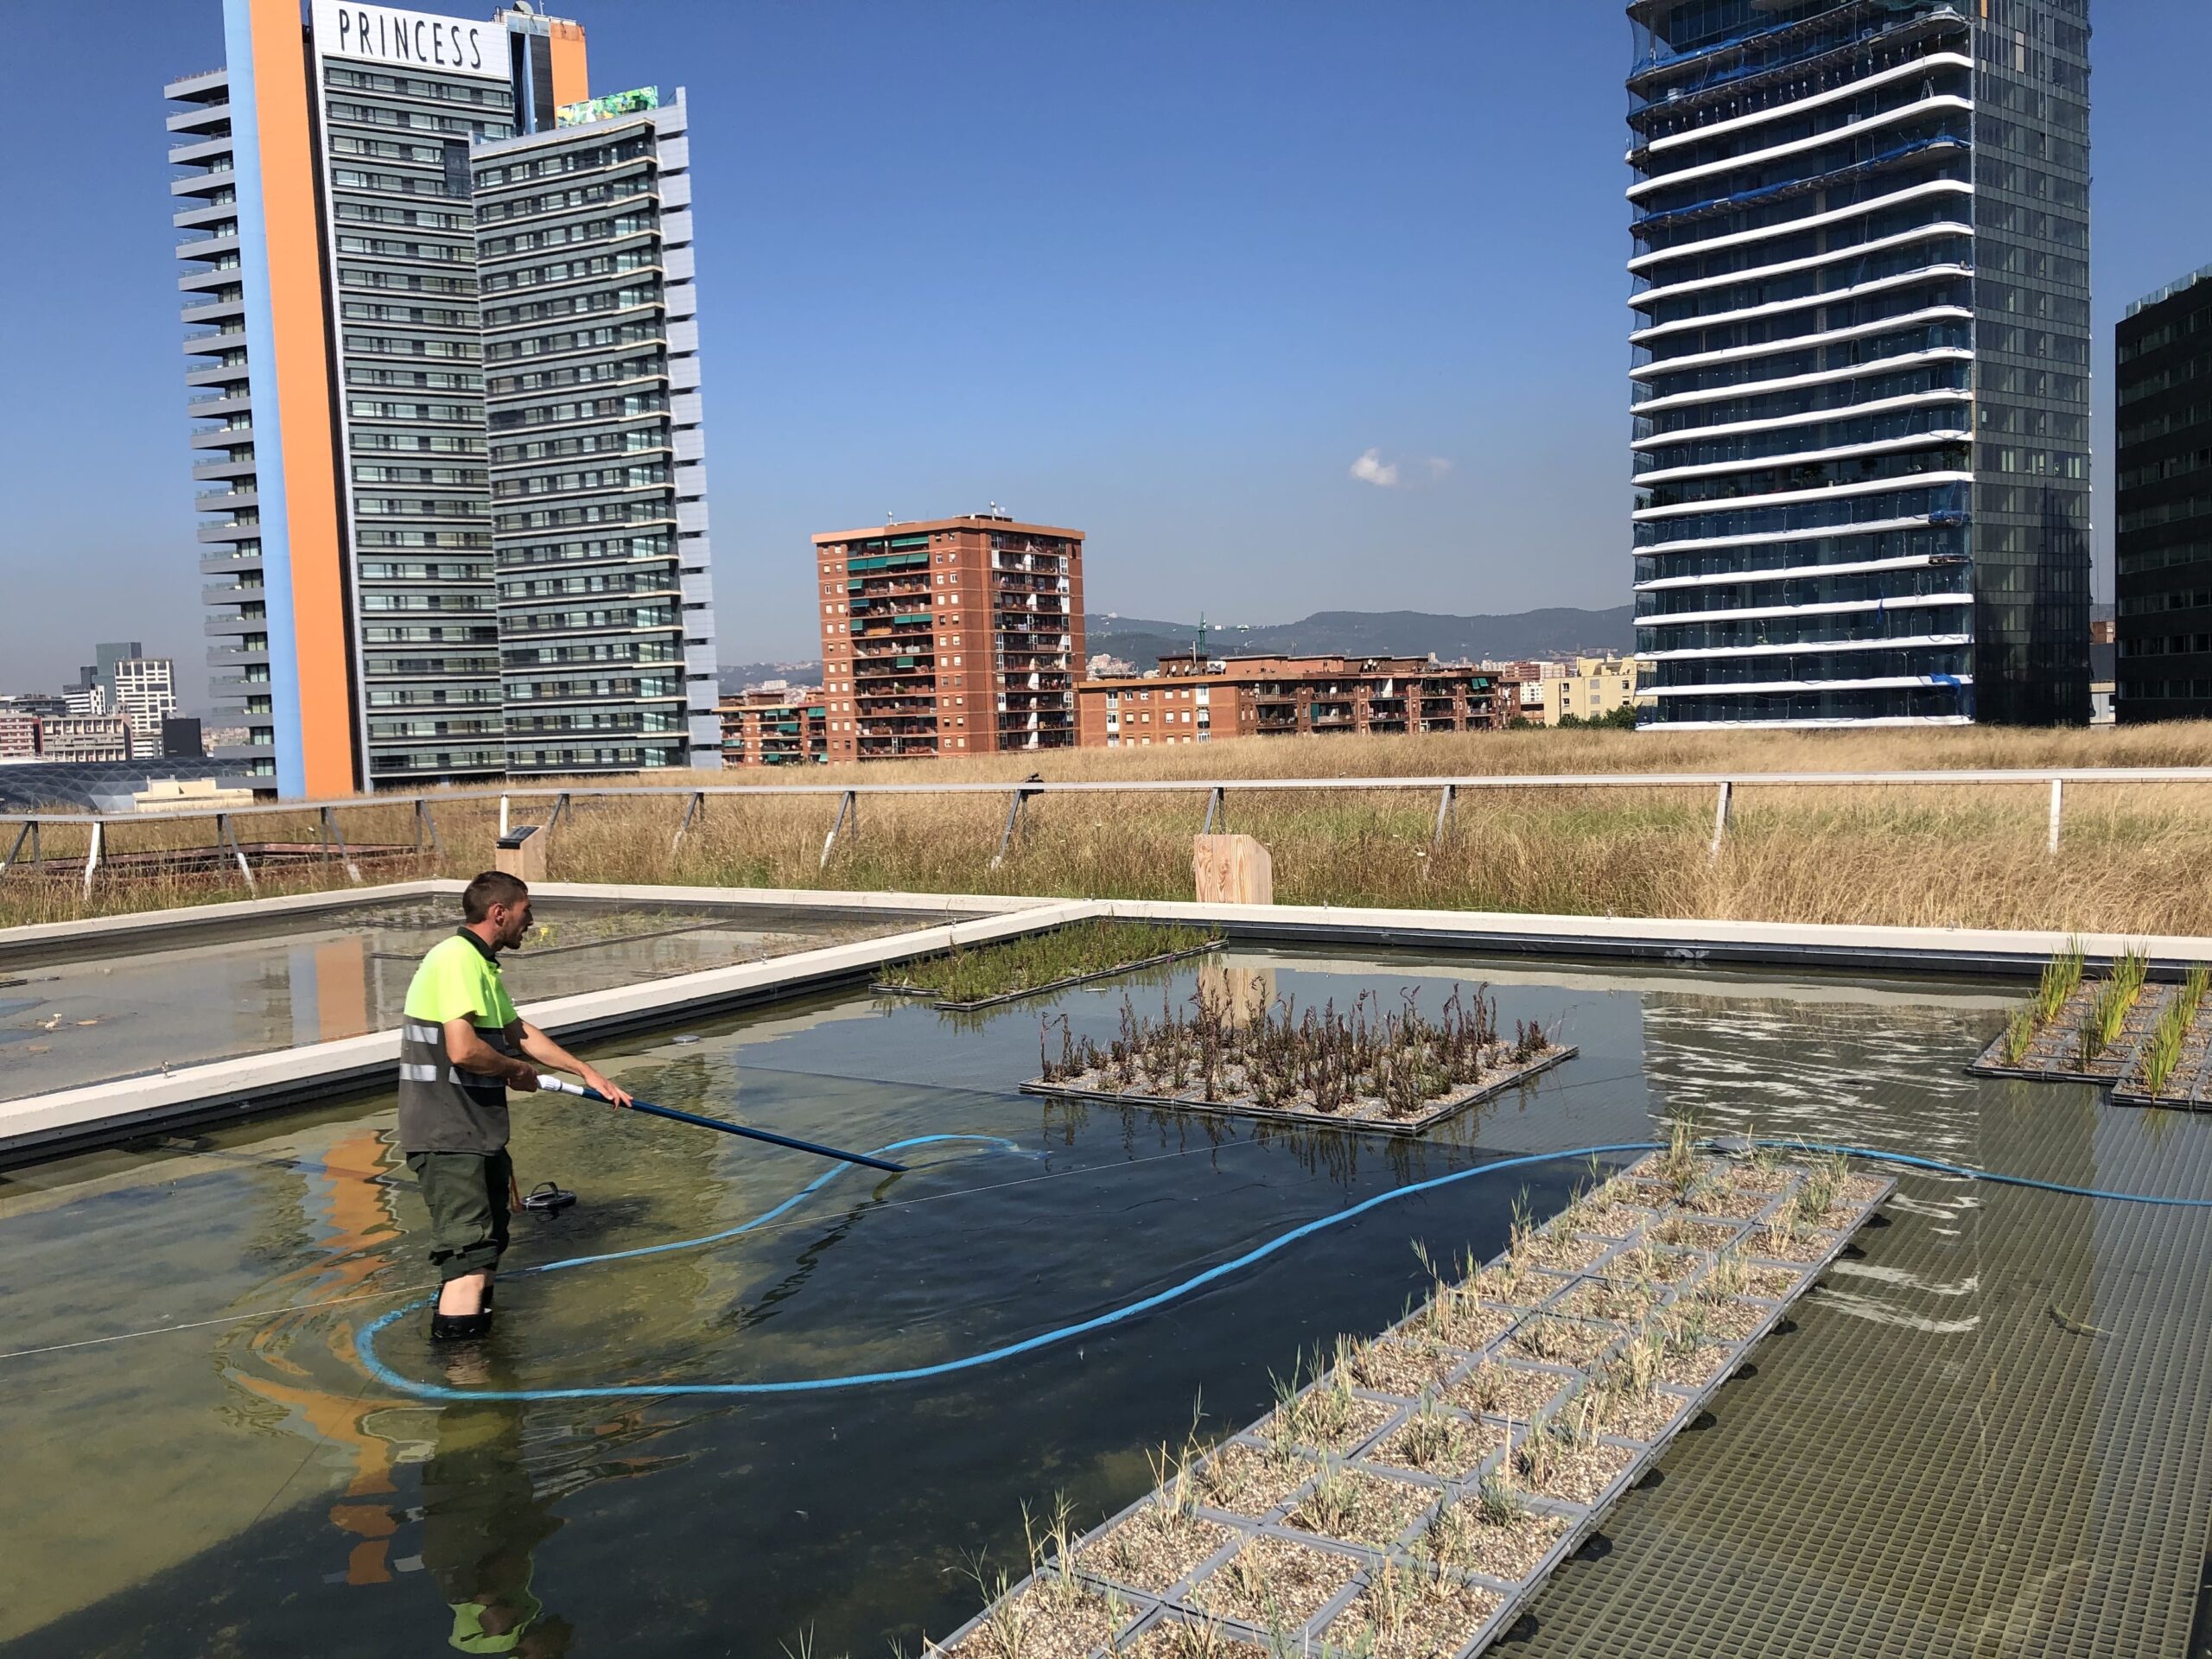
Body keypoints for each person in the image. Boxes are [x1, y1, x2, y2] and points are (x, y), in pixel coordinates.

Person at [399, 870, 632, 1340]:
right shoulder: (456, 959)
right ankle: (463, 1372)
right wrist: (515, 1072)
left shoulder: (480, 965)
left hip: (477, 1134)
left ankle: (483, 1352)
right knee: (467, 1259)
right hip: (448, 1136)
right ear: (499, 913)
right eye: (527, 912)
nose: (532, 921)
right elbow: (463, 1050)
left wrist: (586, 1072)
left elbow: (518, 1032)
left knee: (487, 1250)